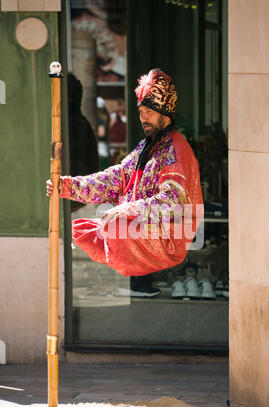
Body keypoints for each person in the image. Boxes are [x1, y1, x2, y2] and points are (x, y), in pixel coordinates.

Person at [47, 68, 203, 292]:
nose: (143, 118)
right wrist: (67, 186)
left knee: (113, 224)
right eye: (141, 111)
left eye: (149, 111)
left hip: (168, 240)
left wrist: (127, 210)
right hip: (144, 231)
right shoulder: (148, 146)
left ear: (165, 113)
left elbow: (173, 203)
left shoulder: (176, 150)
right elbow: (116, 178)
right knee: (83, 229)